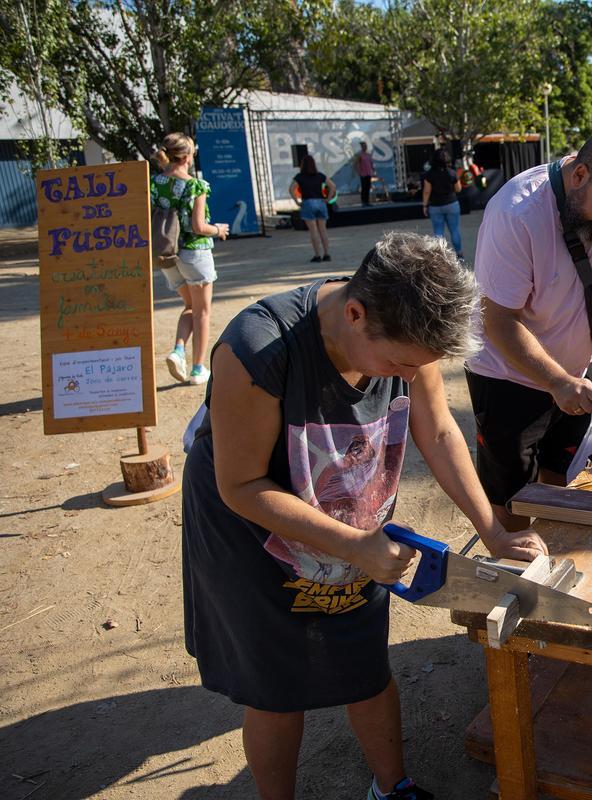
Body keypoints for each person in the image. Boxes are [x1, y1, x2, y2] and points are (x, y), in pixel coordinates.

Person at [181, 232, 548, 800]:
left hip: (352, 512)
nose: (405, 376)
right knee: (277, 689)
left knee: (363, 660)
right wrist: (355, 545)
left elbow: (438, 428)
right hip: (252, 528)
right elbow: (242, 485)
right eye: (401, 363)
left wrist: (492, 531)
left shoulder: (407, 338)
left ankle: (392, 787)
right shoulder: (258, 349)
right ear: (355, 313)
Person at [465, 124, 592, 531]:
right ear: (579, 175)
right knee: (512, 503)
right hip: (507, 377)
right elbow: (498, 321)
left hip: (573, 376)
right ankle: (516, 572)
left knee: (563, 480)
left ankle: (553, 556)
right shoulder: (516, 212)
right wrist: (557, 381)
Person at [151, 132, 228, 387]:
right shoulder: (195, 185)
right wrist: (219, 230)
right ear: (186, 156)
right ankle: (197, 369)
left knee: (190, 306)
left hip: (167, 254)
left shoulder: (155, 183)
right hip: (194, 253)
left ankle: (178, 350)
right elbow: (198, 226)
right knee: (202, 312)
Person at [289, 155, 332, 263]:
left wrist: (296, 201)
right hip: (321, 202)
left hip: (308, 202)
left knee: (313, 231)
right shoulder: (320, 175)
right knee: (323, 230)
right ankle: (327, 254)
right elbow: (333, 186)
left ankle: (317, 255)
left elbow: (291, 189)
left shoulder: (299, 176)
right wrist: (328, 199)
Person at [422, 150, 463, 259]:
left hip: (435, 206)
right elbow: (458, 189)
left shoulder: (429, 174)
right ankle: (459, 254)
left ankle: (441, 256)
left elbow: (427, 191)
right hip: (451, 203)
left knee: (438, 232)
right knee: (454, 230)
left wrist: (425, 205)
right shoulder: (452, 173)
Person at [354, 140, 376, 206]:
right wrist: (359, 172)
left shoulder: (368, 155)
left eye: (366, 146)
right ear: (361, 147)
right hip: (363, 174)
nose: (365, 147)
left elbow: (371, 164)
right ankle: (363, 202)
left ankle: (367, 201)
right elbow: (356, 164)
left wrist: (373, 170)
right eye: (364, 146)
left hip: (368, 173)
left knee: (368, 188)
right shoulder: (359, 155)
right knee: (363, 188)